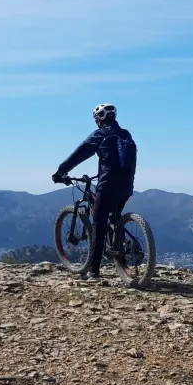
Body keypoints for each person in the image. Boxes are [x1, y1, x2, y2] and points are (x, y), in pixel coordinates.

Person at [52, 103, 137, 281]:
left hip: (107, 187)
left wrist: (61, 172)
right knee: (114, 219)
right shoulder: (125, 134)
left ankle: (94, 272)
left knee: (98, 226)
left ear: (99, 119)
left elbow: (78, 155)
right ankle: (121, 261)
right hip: (127, 187)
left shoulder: (100, 134)